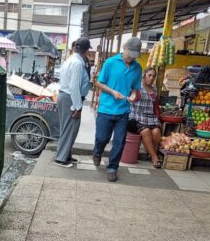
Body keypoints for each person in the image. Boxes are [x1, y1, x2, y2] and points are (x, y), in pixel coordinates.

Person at [93, 37, 143, 182]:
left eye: (135, 55)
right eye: (130, 54)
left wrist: (133, 95)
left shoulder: (137, 68)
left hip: (123, 111)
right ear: (124, 48)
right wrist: (113, 92)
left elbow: (135, 88)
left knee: (120, 142)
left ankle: (112, 168)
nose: (132, 58)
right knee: (102, 138)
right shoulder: (110, 62)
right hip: (106, 108)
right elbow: (99, 83)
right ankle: (97, 152)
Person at [54, 37, 92, 168]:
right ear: (86, 51)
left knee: (69, 128)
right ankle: (61, 158)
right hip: (70, 98)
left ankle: (66, 155)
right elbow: (74, 86)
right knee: (69, 128)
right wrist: (77, 106)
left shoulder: (71, 60)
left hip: (66, 96)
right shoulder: (77, 63)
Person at [128, 67, 162, 168]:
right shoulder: (137, 88)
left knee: (156, 132)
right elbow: (130, 99)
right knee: (146, 131)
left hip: (151, 118)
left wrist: (158, 117)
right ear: (144, 76)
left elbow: (156, 106)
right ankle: (154, 157)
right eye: (149, 75)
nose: (151, 78)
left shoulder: (154, 89)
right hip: (137, 117)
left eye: (153, 76)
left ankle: (150, 153)